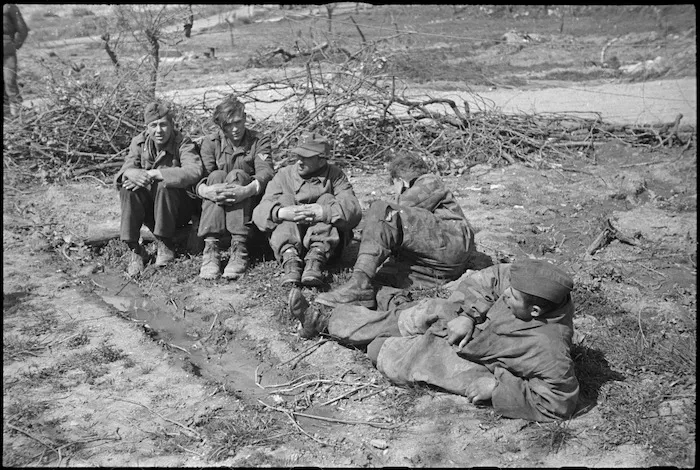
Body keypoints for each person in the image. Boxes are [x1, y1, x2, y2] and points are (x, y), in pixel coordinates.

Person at [293, 259, 579, 422]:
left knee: (389, 354)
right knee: (424, 311)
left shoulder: (549, 350)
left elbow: (558, 403)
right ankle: (325, 321)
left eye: (513, 297)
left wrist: (497, 390)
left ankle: (379, 321)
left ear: (536, 311)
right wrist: (468, 314)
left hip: (482, 362)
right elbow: (495, 278)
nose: (507, 294)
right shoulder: (530, 289)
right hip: (475, 327)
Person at [315, 152, 476, 309]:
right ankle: (368, 297)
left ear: (400, 180)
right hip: (437, 265)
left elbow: (393, 210)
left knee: (382, 209)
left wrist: (354, 218)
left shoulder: (429, 180)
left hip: (452, 242)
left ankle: (358, 283)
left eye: (394, 185)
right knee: (379, 280)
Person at [252, 132, 361, 287]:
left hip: (327, 247)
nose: (299, 162)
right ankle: (290, 261)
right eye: (298, 156)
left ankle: (316, 259)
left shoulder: (335, 176)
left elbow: (353, 209)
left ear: (321, 159)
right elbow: (259, 212)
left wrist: (322, 212)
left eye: (305, 157)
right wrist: (282, 212)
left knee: (327, 200)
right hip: (290, 241)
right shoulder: (284, 175)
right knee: (284, 201)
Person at [114, 102, 204, 277]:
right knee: (128, 188)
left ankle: (165, 243)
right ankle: (134, 249)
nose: (159, 131)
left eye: (163, 125)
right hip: (152, 211)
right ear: (147, 128)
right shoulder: (139, 143)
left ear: (171, 125)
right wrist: (130, 173)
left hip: (178, 210)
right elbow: (121, 174)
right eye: (153, 126)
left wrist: (156, 173)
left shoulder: (182, 142)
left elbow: (194, 171)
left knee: (164, 183)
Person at [196, 96, 274, 280]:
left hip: (249, 203)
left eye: (238, 122)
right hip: (217, 206)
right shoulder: (211, 143)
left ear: (245, 117)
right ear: (220, 126)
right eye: (228, 125)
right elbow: (200, 177)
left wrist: (245, 191)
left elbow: (266, 172)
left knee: (238, 175)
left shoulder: (258, 140)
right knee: (215, 177)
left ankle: (239, 248)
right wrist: (207, 190)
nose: (235, 129)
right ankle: (211, 249)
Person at [3, 3, 29, 118]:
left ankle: (18, 118)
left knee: (10, 83)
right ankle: (7, 118)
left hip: (7, 52)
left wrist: (15, 45)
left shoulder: (9, 7)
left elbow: (22, 29)